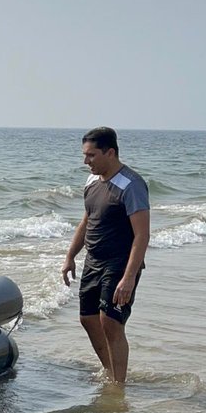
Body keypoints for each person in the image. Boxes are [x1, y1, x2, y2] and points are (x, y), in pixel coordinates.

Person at [60, 126, 150, 383]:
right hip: (93, 260)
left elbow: (142, 235)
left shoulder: (131, 185)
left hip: (120, 263)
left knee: (110, 322)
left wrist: (129, 278)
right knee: (88, 319)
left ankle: (118, 386)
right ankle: (112, 371)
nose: (85, 161)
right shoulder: (91, 182)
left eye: (91, 155)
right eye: (84, 155)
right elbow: (86, 221)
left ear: (110, 153)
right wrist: (70, 257)